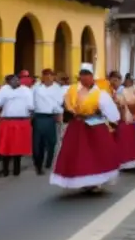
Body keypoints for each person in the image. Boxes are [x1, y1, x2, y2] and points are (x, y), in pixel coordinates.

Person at [51, 63, 121, 191]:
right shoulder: (72, 90)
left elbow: (110, 110)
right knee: (77, 154)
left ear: (91, 76)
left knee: (97, 153)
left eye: (87, 74)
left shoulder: (99, 93)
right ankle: (80, 180)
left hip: (95, 127)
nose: (84, 77)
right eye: (82, 74)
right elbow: (60, 104)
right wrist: (63, 114)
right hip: (77, 126)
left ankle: (95, 180)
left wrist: (112, 121)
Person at [0, 73, 33, 177]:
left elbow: (31, 107)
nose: (15, 82)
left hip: (21, 121)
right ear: (8, 82)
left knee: (18, 147)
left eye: (17, 80)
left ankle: (17, 169)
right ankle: (5, 170)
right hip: (7, 121)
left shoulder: (26, 90)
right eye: (12, 80)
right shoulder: (4, 90)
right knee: (5, 147)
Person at [32, 69, 64, 175]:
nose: (48, 78)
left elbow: (59, 103)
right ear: (42, 77)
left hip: (51, 117)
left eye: (50, 75)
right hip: (38, 117)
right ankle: (38, 165)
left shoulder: (57, 88)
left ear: (53, 77)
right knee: (37, 144)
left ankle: (49, 161)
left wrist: (59, 114)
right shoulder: (36, 88)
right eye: (46, 75)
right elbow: (30, 100)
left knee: (51, 142)